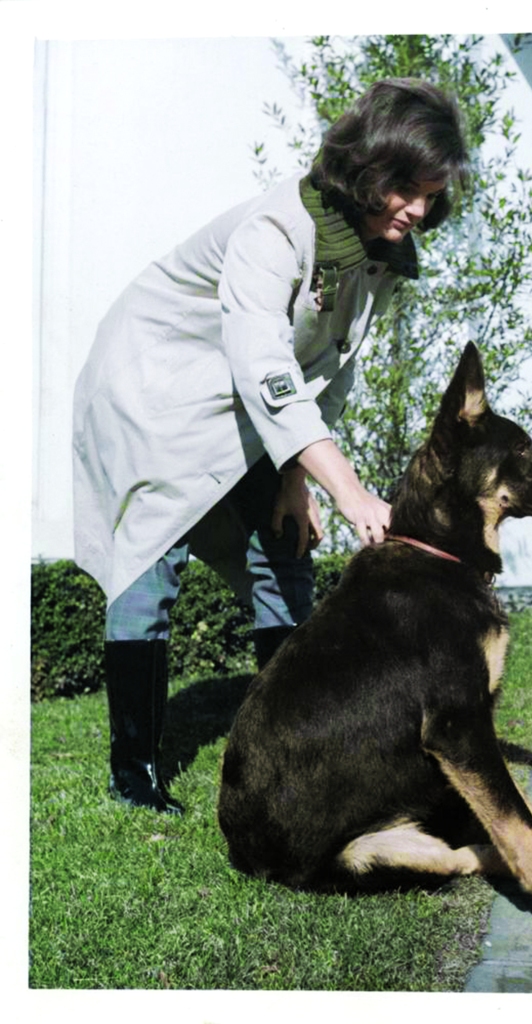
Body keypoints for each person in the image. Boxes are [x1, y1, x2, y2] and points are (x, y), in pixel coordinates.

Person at [72, 78, 470, 814]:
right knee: (149, 563)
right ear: (368, 170)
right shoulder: (277, 228)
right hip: (156, 389)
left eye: (431, 193)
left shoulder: (377, 251)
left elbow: (332, 369)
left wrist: (299, 473)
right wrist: (349, 490)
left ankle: (288, 748)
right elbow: (262, 360)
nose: (418, 209)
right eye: (406, 189)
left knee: (285, 549)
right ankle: (135, 775)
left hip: (247, 400)